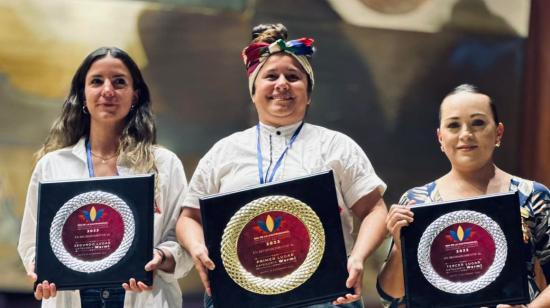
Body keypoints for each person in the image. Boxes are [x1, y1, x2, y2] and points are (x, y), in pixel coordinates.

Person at [175, 23, 388, 307]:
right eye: (271, 76)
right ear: (253, 92)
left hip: (325, 296)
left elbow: (374, 208)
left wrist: (358, 257)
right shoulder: (223, 153)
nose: (282, 84)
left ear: (309, 94)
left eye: (293, 76)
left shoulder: (336, 146)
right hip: (240, 296)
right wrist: (198, 248)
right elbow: (189, 218)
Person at [17, 47, 192, 308]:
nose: (107, 90)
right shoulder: (52, 166)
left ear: (135, 95)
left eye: (119, 82)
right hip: (72, 297)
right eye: (96, 81)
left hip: (142, 295)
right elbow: (32, 242)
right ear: (82, 94)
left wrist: (161, 257)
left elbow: (180, 241)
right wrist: (41, 270)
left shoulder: (164, 164)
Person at [377, 84, 550, 308]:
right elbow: (391, 298)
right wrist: (401, 250)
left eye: (478, 123)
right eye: (453, 125)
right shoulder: (416, 202)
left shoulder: (532, 195)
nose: (466, 134)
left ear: (498, 132)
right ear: (440, 137)